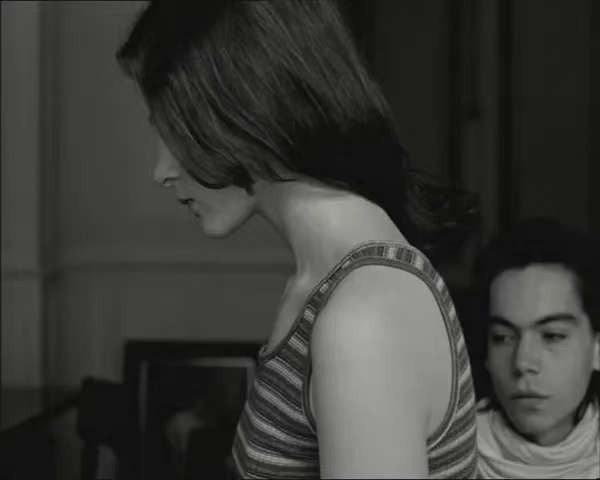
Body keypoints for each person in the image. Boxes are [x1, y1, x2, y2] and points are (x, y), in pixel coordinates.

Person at [116, 1, 479, 477]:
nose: (161, 170)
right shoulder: (329, 285)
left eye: (171, 130)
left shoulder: (364, 316)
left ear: (239, 108)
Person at [471, 218, 600, 479]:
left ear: (597, 349)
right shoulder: (450, 457)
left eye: (552, 336)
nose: (522, 363)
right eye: (502, 337)